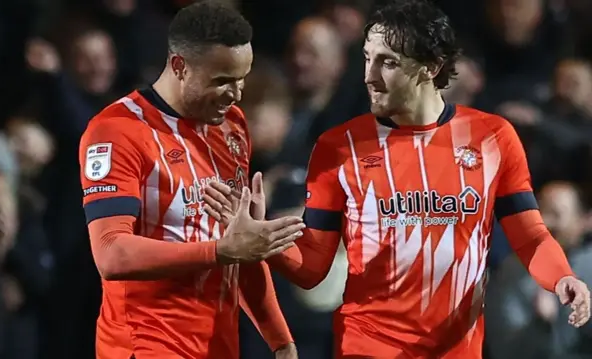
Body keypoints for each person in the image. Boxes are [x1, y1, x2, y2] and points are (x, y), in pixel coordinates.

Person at [201, 0, 592, 358]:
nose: (369, 76)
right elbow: (312, 268)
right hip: (366, 347)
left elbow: (530, 235)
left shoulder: (492, 138)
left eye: (387, 62)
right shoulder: (339, 147)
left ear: (431, 67)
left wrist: (561, 278)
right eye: (367, 59)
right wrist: (265, 241)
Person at [78, 1, 302, 358]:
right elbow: (110, 253)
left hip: (219, 346)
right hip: (145, 345)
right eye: (222, 80)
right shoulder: (117, 131)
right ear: (179, 66)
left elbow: (241, 248)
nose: (237, 93)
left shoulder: (232, 126)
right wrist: (220, 251)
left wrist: (281, 340)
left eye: (242, 78)